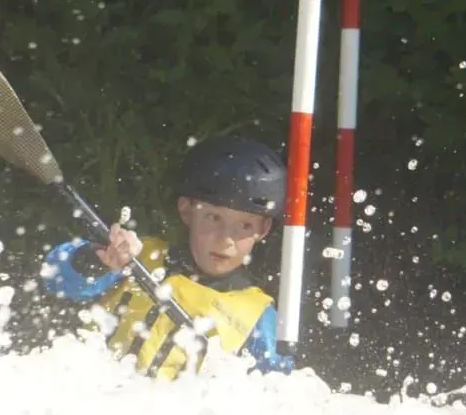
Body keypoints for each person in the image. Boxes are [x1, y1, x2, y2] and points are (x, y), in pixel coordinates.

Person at [39, 134, 295, 380]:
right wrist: (98, 260)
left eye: (245, 226)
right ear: (187, 210)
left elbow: (273, 396)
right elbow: (56, 278)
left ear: (263, 230)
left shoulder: (259, 318)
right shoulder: (136, 257)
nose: (225, 239)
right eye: (213, 217)